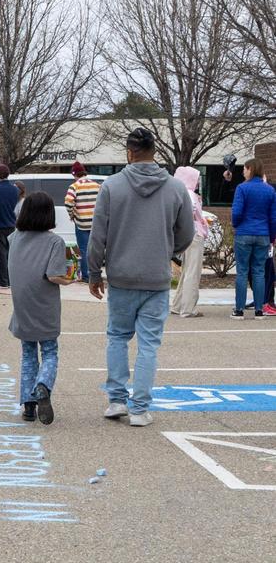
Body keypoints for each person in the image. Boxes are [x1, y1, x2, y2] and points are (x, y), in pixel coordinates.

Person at [88, 128, 194, 427]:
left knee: (118, 337)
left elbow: (98, 235)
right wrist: (167, 249)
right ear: (154, 151)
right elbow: (186, 232)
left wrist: (94, 271)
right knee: (149, 344)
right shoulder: (174, 188)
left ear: (129, 151)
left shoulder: (112, 186)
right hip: (156, 276)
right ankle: (140, 408)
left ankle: (116, 400)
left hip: (121, 275)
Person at [8, 192, 74, 425]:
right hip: (44, 304)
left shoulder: (14, 238)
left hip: (22, 305)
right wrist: (69, 279)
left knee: (27, 354)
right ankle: (43, 386)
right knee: (49, 351)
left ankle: (28, 406)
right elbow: (54, 275)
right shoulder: (54, 242)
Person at [229, 158, 276, 319]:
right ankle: (259, 309)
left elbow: (236, 212)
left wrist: (236, 224)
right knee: (259, 272)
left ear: (250, 169)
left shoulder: (242, 188)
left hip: (244, 232)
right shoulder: (269, 190)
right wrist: (272, 236)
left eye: (244, 169)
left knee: (242, 272)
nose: (243, 171)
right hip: (263, 234)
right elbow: (273, 217)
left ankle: (239, 309)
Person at [171, 167, 209, 318]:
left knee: (186, 271)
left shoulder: (178, 192)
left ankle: (178, 305)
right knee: (193, 272)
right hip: (195, 235)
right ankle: (188, 309)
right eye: (196, 178)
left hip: (186, 235)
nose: (198, 182)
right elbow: (192, 212)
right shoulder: (190, 195)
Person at [64, 162, 99, 283]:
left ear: (74, 174)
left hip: (81, 223)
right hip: (95, 224)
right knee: (95, 249)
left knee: (83, 250)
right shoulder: (96, 185)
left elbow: (68, 203)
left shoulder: (74, 186)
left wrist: (72, 215)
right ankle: (95, 274)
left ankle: (86, 276)